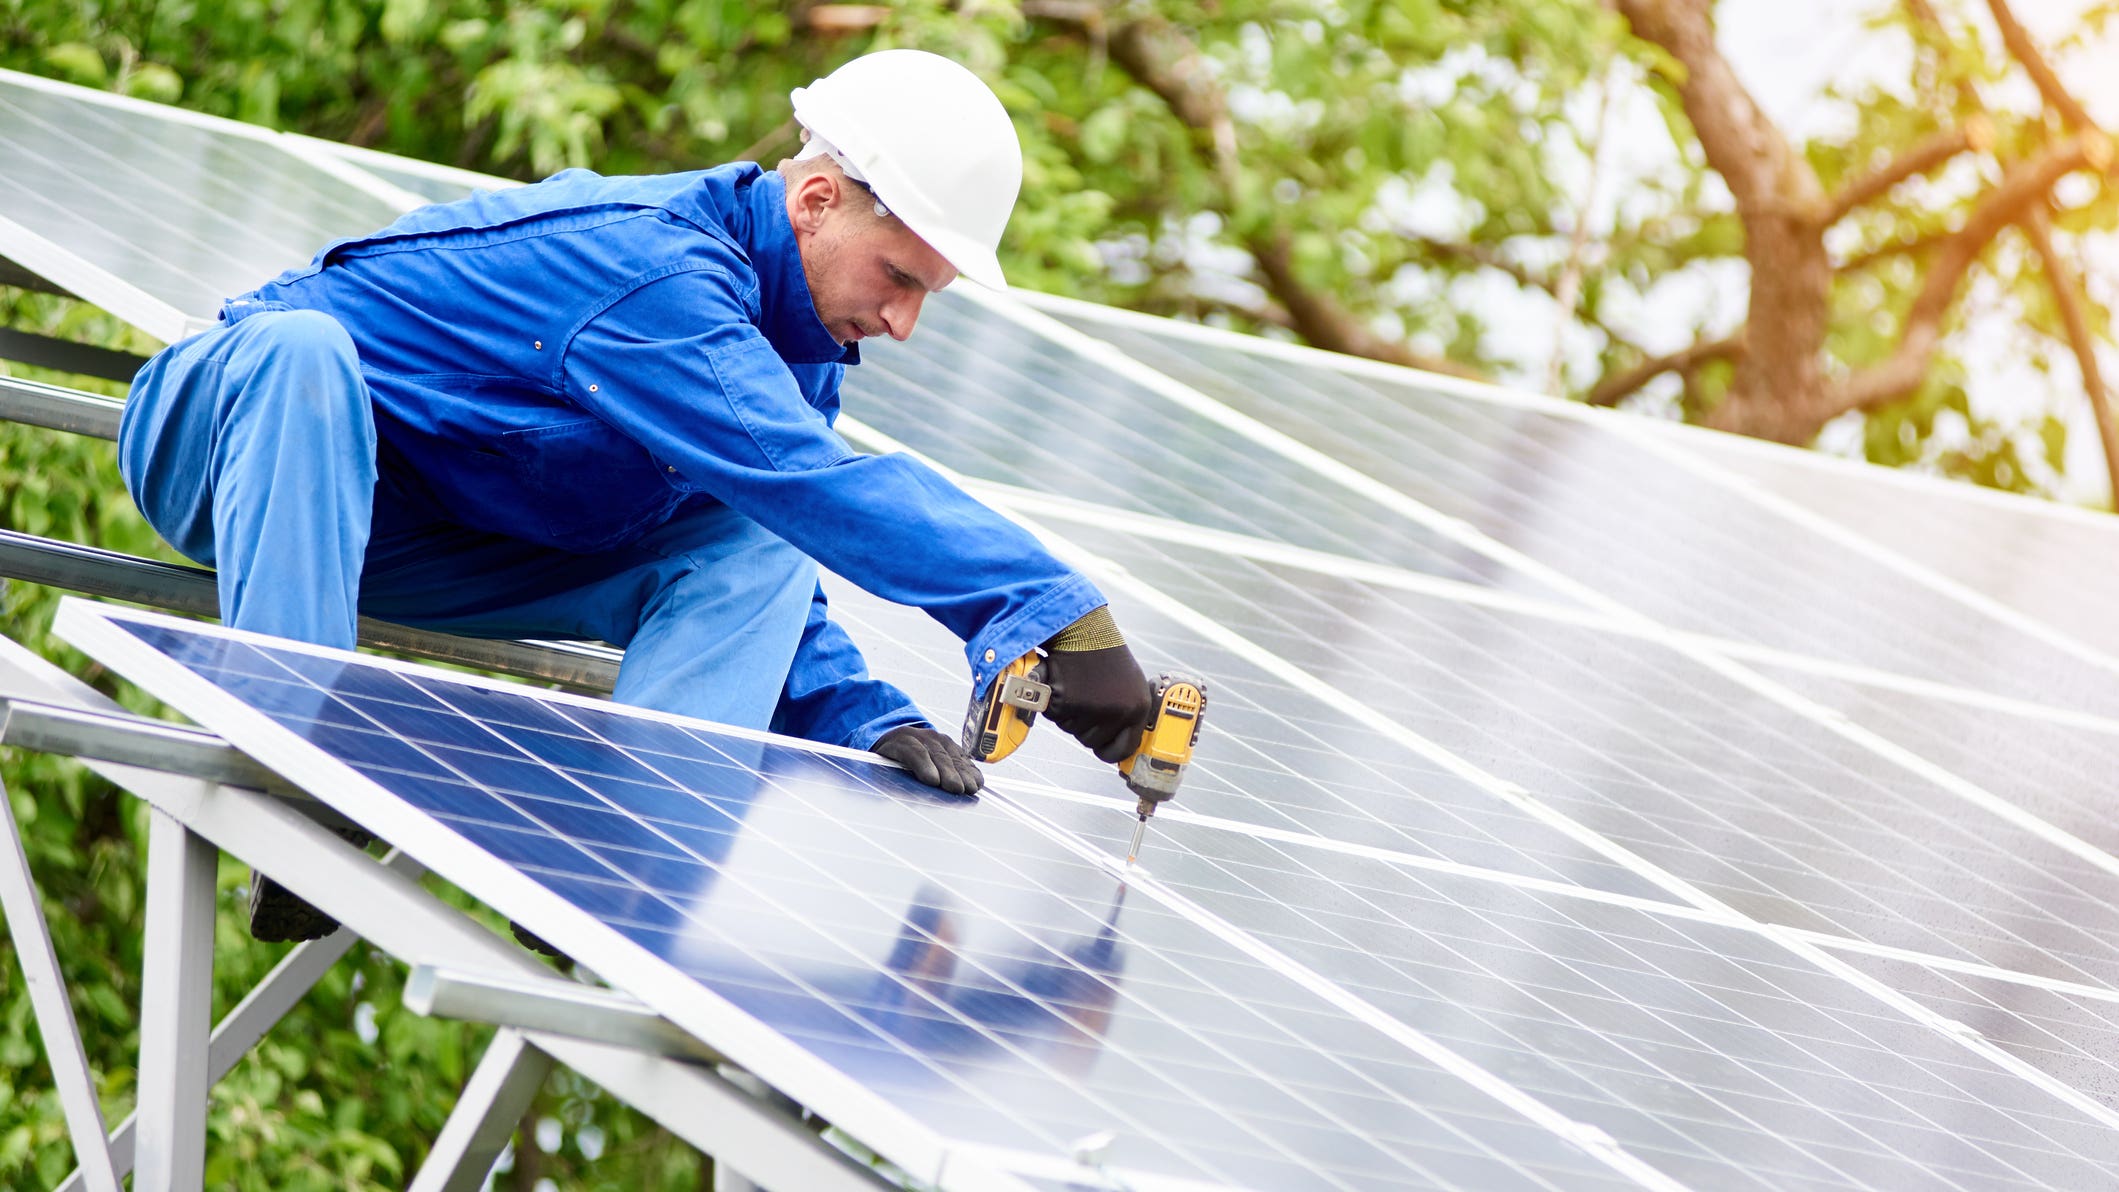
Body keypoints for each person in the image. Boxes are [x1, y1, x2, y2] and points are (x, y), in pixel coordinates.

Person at [117, 49, 1155, 942]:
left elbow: (761, 526)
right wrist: (1054, 610)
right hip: (233, 448)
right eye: (898, 277)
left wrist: (858, 712)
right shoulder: (655, 269)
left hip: (416, 533)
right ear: (816, 199)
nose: (903, 321)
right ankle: (300, 773)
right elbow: (817, 480)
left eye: (928, 294)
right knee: (305, 356)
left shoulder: (798, 353)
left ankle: (619, 871)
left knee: (755, 536)